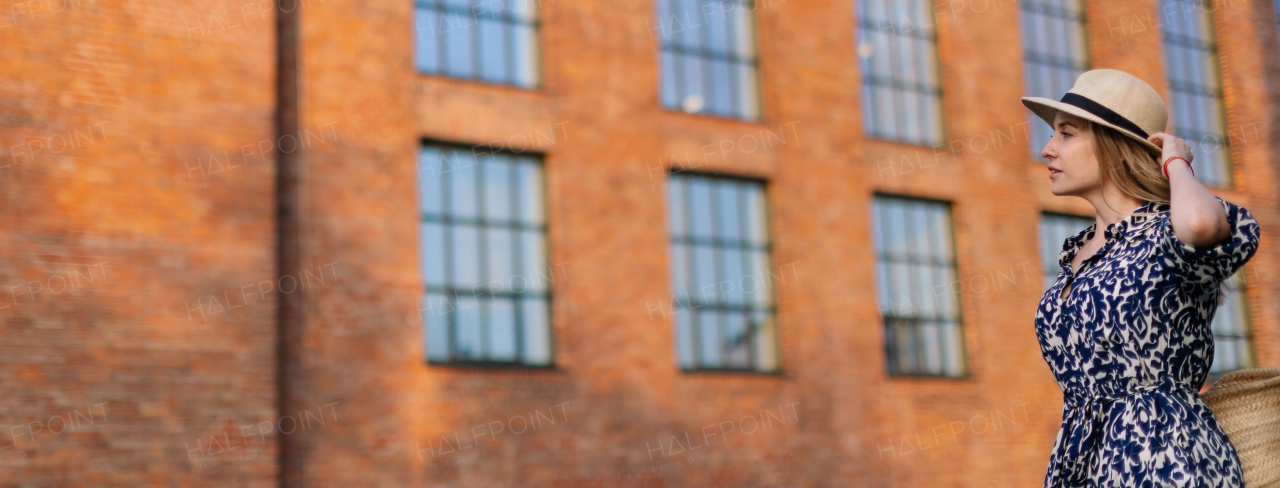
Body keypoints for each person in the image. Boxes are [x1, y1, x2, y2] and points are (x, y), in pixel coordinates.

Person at [1021, 69, 1262, 487]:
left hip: (1165, 459)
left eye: (1066, 134)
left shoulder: (1164, 233)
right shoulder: (1076, 253)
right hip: (1084, 463)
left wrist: (1175, 162)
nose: (1047, 149)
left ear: (1114, 146)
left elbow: (1202, 226)